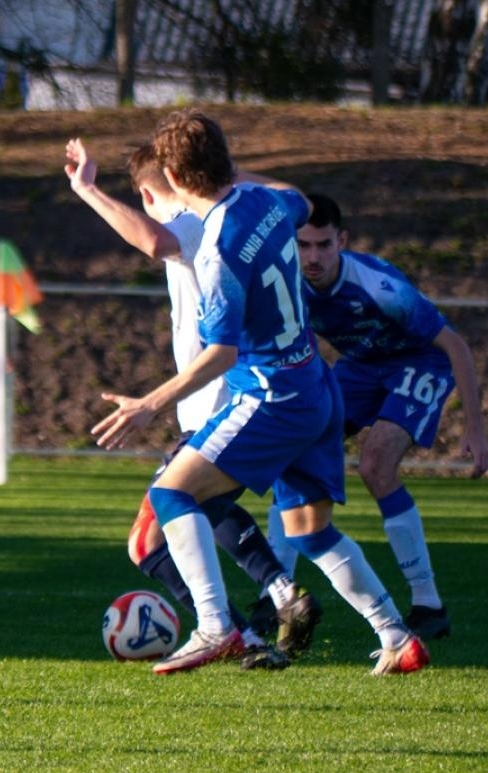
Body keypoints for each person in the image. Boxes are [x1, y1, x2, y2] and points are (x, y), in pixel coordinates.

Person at [91, 110, 427, 676]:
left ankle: (216, 627)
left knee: (174, 495)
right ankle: (396, 636)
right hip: (318, 387)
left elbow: (218, 356)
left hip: (272, 396)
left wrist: (150, 405)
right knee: (310, 532)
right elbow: (296, 194)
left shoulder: (218, 250)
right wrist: (227, 170)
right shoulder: (265, 206)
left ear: (172, 175)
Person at [65, 137, 318, 671]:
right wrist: (225, 171)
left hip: (226, 397)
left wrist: (87, 190)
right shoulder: (243, 207)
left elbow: (154, 240)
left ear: (155, 191)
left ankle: (228, 629)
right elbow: (297, 196)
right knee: (205, 508)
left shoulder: (193, 224)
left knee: (149, 533)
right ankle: (279, 598)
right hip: (274, 389)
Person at [289, 193, 488, 641]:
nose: (314, 256)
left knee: (375, 464)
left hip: (417, 362)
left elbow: (454, 345)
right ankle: (279, 597)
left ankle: (428, 603)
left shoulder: (378, 286)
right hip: (360, 366)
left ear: (341, 240)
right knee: (293, 450)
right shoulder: (289, 284)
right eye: (304, 246)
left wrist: (476, 429)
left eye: (323, 245)